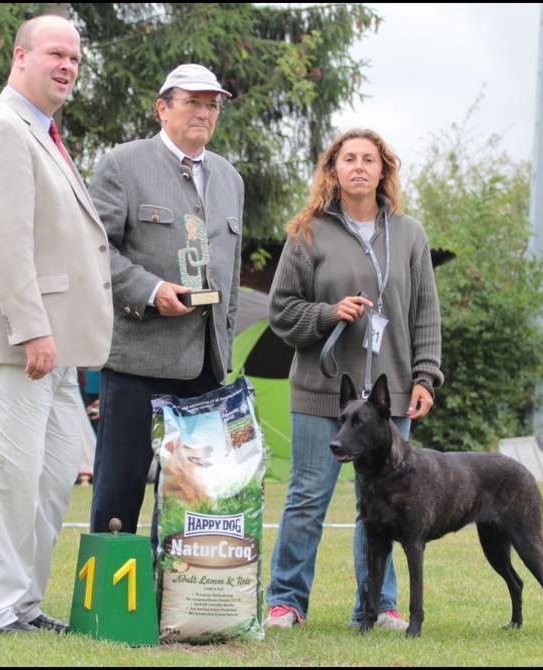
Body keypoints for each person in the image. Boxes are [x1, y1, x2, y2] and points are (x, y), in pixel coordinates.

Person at [0, 15, 113, 634]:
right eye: (56, 54)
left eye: (75, 60)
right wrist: (32, 330)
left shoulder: (43, 132)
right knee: (4, 478)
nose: (68, 66)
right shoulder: (1, 132)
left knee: (50, 478)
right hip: (16, 343)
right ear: (20, 57)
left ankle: (21, 604)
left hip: (54, 348)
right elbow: (3, 246)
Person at [264, 128, 443, 630]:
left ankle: (378, 607)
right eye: (349, 159)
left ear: (384, 170)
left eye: (370, 159)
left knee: (387, 505)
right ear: (333, 170)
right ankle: (286, 602)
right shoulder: (308, 231)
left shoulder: (410, 234)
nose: (359, 166)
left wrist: (425, 376)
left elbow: (426, 311)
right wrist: (327, 313)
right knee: (306, 496)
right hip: (323, 393)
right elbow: (281, 310)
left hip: (390, 402)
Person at [88, 64, 243, 537]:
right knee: (119, 491)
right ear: (162, 108)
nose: (204, 112)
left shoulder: (231, 178)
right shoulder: (122, 164)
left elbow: (231, 273)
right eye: (192, 101)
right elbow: (94, 250)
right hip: (137, 361)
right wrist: (151, 291)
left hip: (205, 368)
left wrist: (226, 342)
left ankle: (174, 604)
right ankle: (109, 609)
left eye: (211, 104)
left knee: (190, 497)